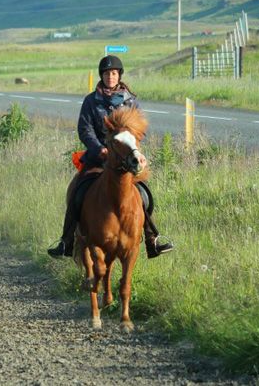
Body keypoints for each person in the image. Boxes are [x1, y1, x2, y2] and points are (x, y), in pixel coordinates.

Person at [47, 55, 174, 259]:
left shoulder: (131, 101)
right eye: (107, 74)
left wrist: (136, 152)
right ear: (102, 76)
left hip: (124, 160)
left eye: (114, 73)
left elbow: (139, 130)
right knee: (77, 194)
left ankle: (152, 239)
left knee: (145, 196)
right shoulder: (91, 101)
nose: (110, 77)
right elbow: (84, 129)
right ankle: (66, 241)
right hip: (98, 159)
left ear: (119, 75)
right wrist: (99, 149)